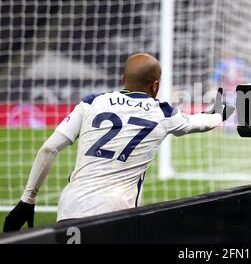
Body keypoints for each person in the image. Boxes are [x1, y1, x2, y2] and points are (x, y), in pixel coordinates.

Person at [3, 53, 234, 232]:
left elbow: (49, 148)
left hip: (70, 208)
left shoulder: (92, 103)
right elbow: (199, 123)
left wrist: (27, 200)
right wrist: (219, 113)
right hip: (116, 214)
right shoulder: (162, 113)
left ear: (123, 80)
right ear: (155, 86)